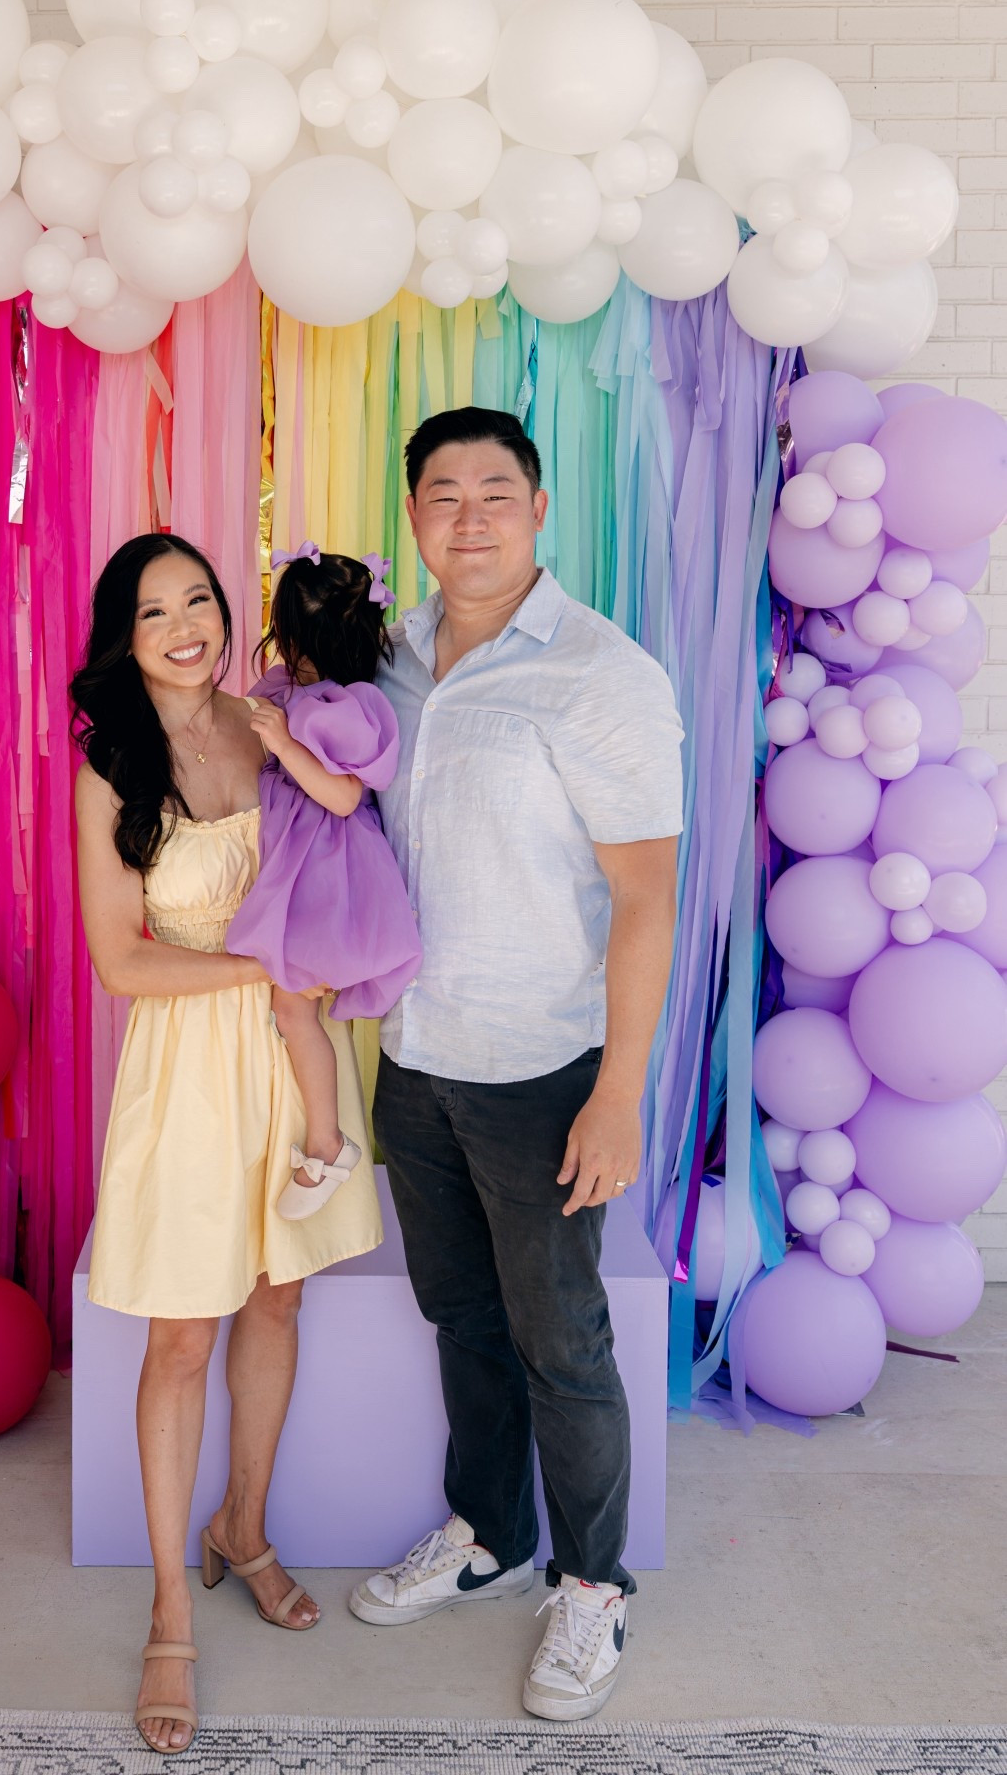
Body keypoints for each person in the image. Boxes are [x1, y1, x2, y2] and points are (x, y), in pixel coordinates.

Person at [348, 408, 683, 1725]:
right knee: (461, 1318)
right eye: (443, 494)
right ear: (415, 519)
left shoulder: (602, 674)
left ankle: (592, 1588)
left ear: (539, 510)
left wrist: (618, 1094)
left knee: (563, 1342)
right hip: (415, 1059)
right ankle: (483, 1532)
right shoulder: (389, 663)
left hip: (543, 1067)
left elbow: (647, 897)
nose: (470, 515)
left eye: (497, 490)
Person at [71, 532, 382, 1757]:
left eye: (200, 597)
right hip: (193, 1067)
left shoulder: (269, 721)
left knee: (278, 1300)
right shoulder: (113, 763)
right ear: (126, 636)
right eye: (157, 612)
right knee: (183, 1335)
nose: (188, 623)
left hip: (296, 1057)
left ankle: (242, 1527)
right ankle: (165, 1609)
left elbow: (349, 838)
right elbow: (121, 958)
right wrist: (266, 967)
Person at [225, 542, 423, 1219]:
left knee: (290, 1007)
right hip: (295, 865)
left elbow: (340, 798)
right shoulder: (288, 689)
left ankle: (326, 1141)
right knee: (286, 1009)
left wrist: (283, 744)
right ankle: (317, 1136)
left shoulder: (343, 704)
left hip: (328, 873)